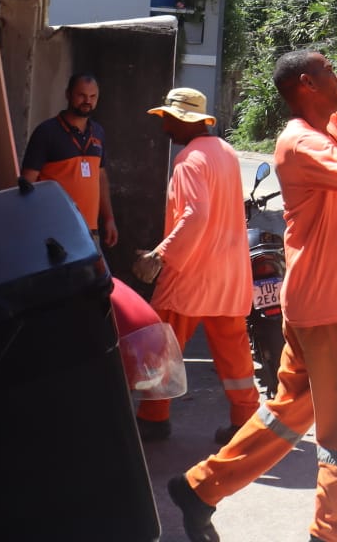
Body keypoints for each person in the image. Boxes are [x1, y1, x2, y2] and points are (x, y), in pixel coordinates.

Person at [167, 52, 337, 542]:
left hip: (315, 309)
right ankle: (330, 532)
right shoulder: (302, 143)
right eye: (329, 73)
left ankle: (199, 489)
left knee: (285, 415)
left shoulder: (327, 131)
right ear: (307, 85)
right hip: (331, 316)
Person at [131, 87, 257, 445]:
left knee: (161, 346)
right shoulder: (227, 153)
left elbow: (196, 215)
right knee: (234, 353)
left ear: (185, 122)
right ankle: (246, 421)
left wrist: (160, 255)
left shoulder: (189, 159)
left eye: (169, 119)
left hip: (190, 276)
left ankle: (154, 420)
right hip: (228, 274)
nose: (165, 126)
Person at [21, 72, 118, 248]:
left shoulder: (98, 132)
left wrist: (109, 218)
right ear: (68, 95)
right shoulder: (46, 132)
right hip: (55, 232)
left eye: (93, 96)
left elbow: (101, 178)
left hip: (90, 232)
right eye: (81, 95)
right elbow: (27, 184)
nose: (87, 101)